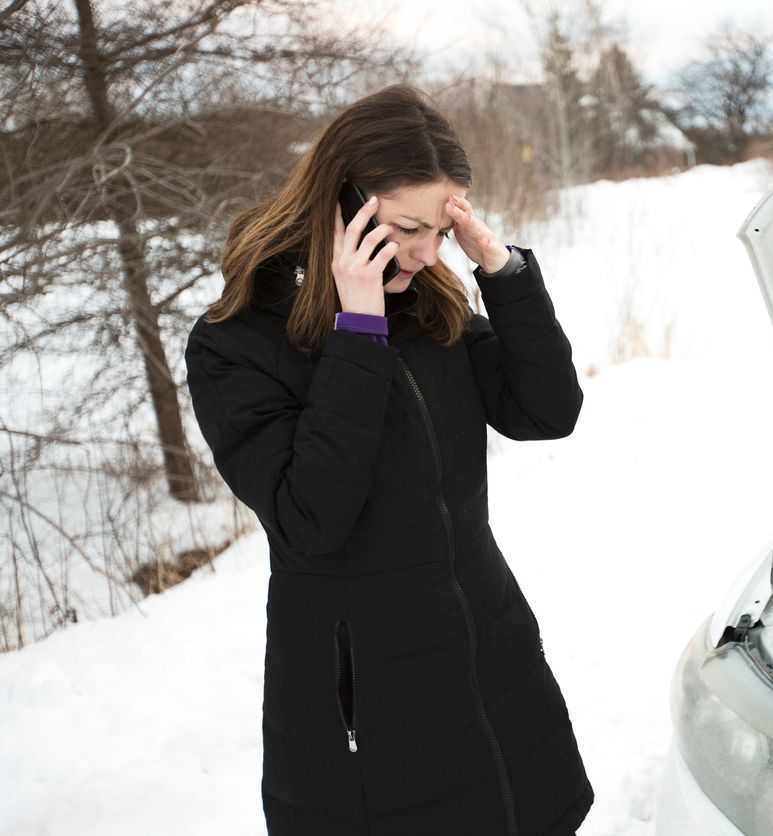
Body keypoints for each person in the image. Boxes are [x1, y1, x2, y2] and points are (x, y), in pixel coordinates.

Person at [184, 84, 593, 835]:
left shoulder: (430, 305)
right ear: (340, 206)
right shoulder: (237, 343)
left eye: (440, 229)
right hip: (366, 702)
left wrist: (503, 275)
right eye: (409, 228)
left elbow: (547, 412)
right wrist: (359, 331)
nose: (428, 252)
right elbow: (311, 517)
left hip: (489, 657)